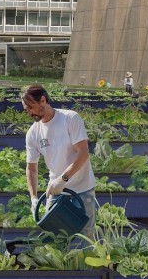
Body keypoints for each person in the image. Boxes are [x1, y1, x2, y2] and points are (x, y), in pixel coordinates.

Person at [22, 84, 97, 236]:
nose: (29, 113)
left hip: (82, 190)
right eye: (26, 109)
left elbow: (83, 152)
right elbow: (31, 168)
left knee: (86, 239)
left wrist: (63, 179)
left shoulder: (70, 119)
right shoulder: (33, 133)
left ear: (43, 100)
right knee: (55, 239)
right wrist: (34, 198)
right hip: (56, 192)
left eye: (31, 107)